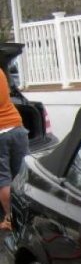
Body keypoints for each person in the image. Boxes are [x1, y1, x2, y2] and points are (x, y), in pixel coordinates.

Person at [0, 67, 27, 231]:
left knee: (3, 179)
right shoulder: (1, 71)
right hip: (17, 126)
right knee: (22, 174)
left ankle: (10, 218)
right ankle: (27, 214)